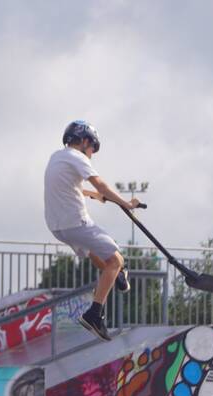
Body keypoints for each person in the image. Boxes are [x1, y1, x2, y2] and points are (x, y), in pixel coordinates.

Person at [43, 120, 141, 341]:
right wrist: (126, 203)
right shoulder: (78, 158)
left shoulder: (56, 157)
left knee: (101, 258)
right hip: (77, 222)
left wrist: (93, 196)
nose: (92, 154)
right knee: (116, 260)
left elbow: (71, 187)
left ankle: (116, 277)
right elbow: (101, 185)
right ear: (84, 141)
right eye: (92, 148)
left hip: (58, 227)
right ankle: (94, 314)